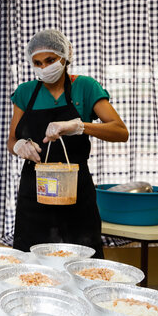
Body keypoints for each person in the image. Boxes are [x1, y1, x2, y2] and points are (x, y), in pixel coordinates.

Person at [7, 29, 129, 258]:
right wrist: (18, 146)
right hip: (35, 193)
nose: (44, 67)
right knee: (31, 265)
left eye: (50, 60)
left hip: (76, 193)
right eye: (37, 62)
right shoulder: (25, 93)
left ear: (65, 55)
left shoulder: (85, 87)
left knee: (83, 263)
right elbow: (11, 138)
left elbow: (120, 131)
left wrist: (80, 126)